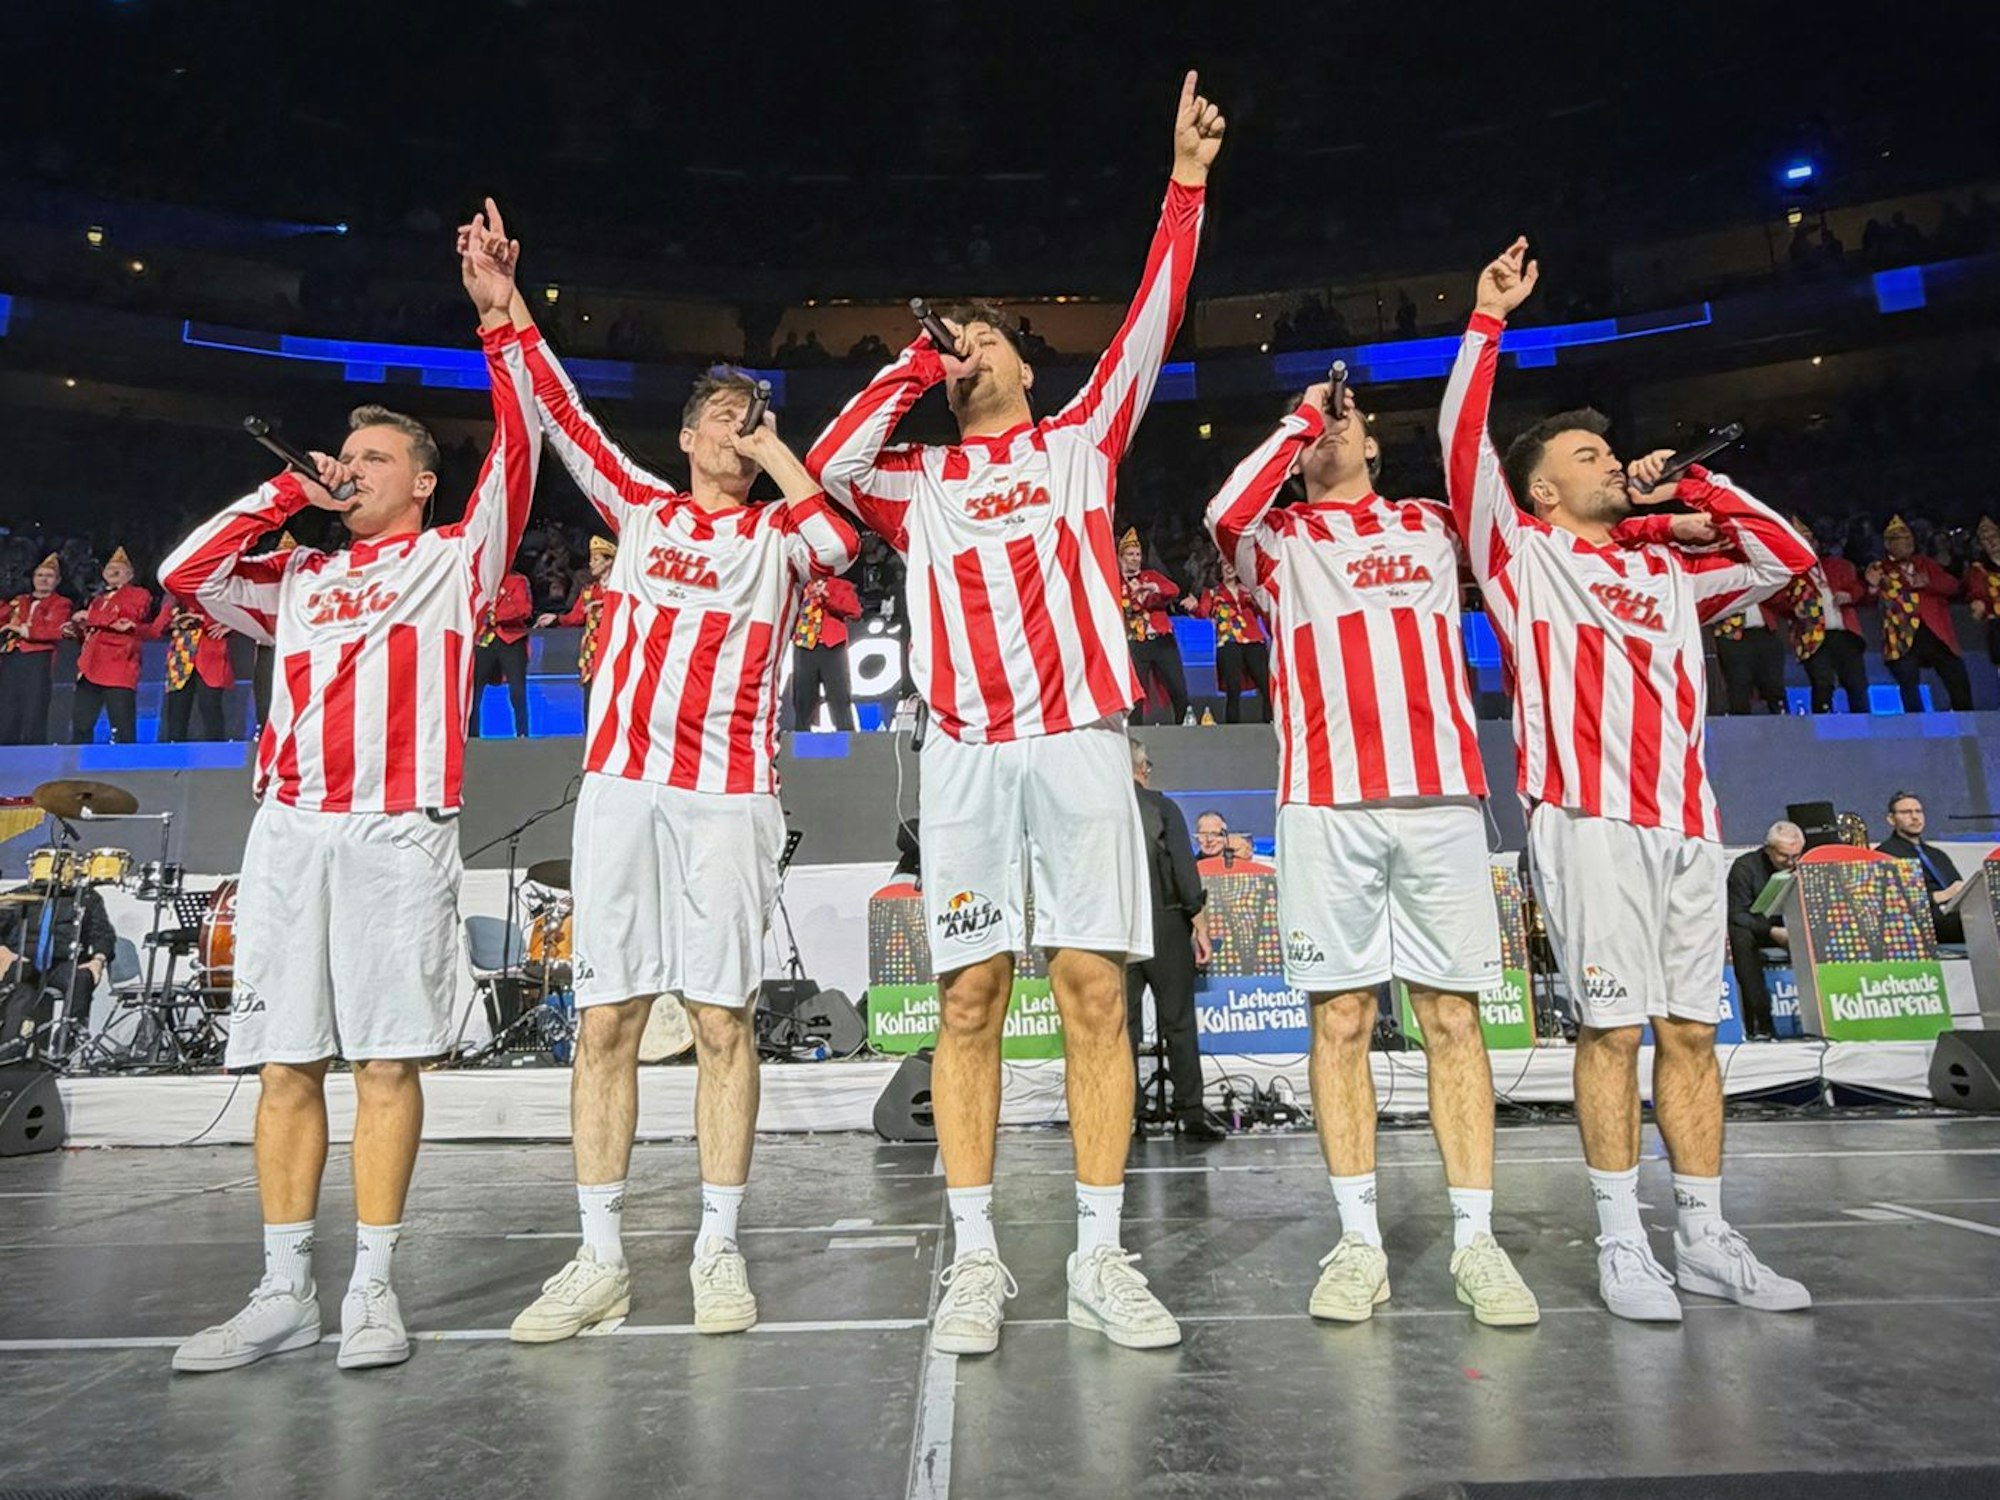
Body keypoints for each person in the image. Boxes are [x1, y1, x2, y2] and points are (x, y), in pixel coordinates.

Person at [807, 72, 1226, 1355]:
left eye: (981, 338)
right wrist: (902, 366)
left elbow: (1152, 321)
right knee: (970, 1000)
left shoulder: (1082, 438)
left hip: (1080, 743)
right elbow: (831, 471)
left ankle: (1101, 1256)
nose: (963, 353)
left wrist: (1184, 187)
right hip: (969, 755)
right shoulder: (917, 475)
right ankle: (977, 1259)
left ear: (1024, 359)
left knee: (1094, 988)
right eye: (953, 344)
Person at [161, 201, 538, 1373]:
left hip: (393, 832)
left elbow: (522, 444)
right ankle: (285, 1288)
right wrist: (288, 496)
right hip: (290, 831)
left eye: (375, 459)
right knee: (284, 1065)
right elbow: (185, 572)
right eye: (347, 457)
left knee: (384, 1061)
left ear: (423, 483)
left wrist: (497, 319)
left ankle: (372, 1285)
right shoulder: (301, 581)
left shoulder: (454, 560)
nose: (351, 469)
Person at [1441, 237, 1814, 1323]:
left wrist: (1685, 479)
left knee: (1692, 1033)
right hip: (1585, 818)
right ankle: (1619, 1241)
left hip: (1687, 822)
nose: (1609, 461)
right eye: (1585, 456)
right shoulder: (1518, 555)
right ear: (1538, 487)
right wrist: (1484, 320)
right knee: (1608, 1033)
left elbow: (1784, 559)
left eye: (1612, 453)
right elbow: (1462, 440)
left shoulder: (1664, 571)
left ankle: (1701, 1233)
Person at [501, 281, 858, 1343]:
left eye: (751, 418)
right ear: (685, 432)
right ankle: (598, 1256)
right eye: (718, 414)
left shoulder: (781, 539)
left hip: (729, 795)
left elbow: (838, 549)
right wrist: (504, 310)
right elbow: (563, 417)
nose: (734, 430)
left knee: (719, 1021)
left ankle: (716, 1246)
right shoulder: (642, 510)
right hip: (622, 788)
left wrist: (781, 451)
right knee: (607, 1021)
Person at [1209, 378, 1539, 1328]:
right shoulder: (1276, 542)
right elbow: (1225, 509)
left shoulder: (1433, 521)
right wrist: (1297, 422)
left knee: (1452, 1020)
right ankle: (1358, 1241)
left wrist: (1481, 333)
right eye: (1318, 425)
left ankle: (1477, 1243)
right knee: (1342, 1020)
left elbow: (1487, 480)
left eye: (1346, 421)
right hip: (1324, 802)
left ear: (1380, 449)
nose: (1329, 429)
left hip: (1441, 798)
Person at [1126, 740, 1220, 1140]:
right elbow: (1185, 871)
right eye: (1147, 765)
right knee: (1178, 1021)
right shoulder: (1163, 807)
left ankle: (1124, 1113)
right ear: (1140, 767)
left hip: (1119, 926)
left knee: (1122, 1027)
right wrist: (1199, 924)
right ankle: (1190, 1112)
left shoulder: (1099, 810)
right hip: (1165, 921)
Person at [0, 873, 115, 1062]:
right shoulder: (17, 897)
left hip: (62, 963)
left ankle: (65, 1045)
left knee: (81, 977)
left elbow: (103, 933)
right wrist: (3, 952)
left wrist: (98, 960)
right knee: (22, 990)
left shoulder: (86, 898)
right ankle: (9, 1052)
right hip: (24, 962)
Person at [1871, 516, 1970, 712]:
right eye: (1900, 538)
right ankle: (1917, 732)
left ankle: (1968, 730)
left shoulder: (1925, 564)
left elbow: (1952, 586)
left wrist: (1929, 584)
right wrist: (1872, 586)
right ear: (1888, 544)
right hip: (1902, 636)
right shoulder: (1879, 568)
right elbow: (1868, 594)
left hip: (1934, 631)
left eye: (1909, 537)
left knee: (1958, 682)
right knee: (1909, 688)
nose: (1907, 542)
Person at [1725, 821, 1806, 1041]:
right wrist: (1771, 931)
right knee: (1740, 934)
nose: (1791, 862)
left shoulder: (1804, 865)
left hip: (1798, 928)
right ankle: (1760, 1022)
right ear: (1768, 849)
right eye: (1784, 856)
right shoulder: (1745, 867)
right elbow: (1737, 914)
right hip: (1761, 931)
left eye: (1796, 855)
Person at [1781, 518, 1871, 714]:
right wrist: (1791, 608)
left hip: (1844, 632)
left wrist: (1850, 595)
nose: (1809, 544)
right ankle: (1822, 727)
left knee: (1856, 683)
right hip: (1812, 634)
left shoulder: (1839, 566)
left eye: (1811, 539)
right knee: (1822, 682)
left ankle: (1865, 727)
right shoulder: (1786, 572)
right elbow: (1777, 599)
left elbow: (1858, 588)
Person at [67, 547, 151, 744]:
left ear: (130, 575)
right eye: (110, 568)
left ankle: (125, 770)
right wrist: (77, 630)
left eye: (119, 569)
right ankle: (76, 768)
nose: (113, 571)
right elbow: (97, 629)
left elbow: (128, 618)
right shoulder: (97, 600)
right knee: (81, 725)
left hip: (118, 666)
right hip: (89, 667)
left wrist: (90, 617)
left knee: (122, 727)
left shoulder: (138, 594)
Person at [1876, 791, 1967, 945]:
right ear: (1891, 819)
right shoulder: (1885, 855)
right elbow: (1893, 903)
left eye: (1918, 811)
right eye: (1906, 812)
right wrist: (1939, 896)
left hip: (1956, 915)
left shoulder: (1938, 855)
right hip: (1922, 921)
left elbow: (1958, 889)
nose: (1914, 817)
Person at [1187, 553, 1270, 722]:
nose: (1229, 566)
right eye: (1225, 563)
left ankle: (1271, 724)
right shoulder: (1212, 593)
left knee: (1266, 685)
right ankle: (1233, 729)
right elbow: (1203, 611)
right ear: (1220, 567)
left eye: (1232, 562)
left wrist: (1255, 597)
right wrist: (1194, 607)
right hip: (1228, 642)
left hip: (1254, 640)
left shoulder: (1249, 589)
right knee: (1233, 688)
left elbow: (1264, 610)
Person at [0, 555, 73, 744]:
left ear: (57, 581)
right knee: (8, 702)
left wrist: (22, 629)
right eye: (39, 575)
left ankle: (32, 749)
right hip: (12, 655)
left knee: (34, 704)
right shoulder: (20, 600)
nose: (43, 579)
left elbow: (54, 630)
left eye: (49, 576)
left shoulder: (61, 603)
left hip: (38, 656)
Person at [1121, 531, 1188, 725]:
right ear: (1121, 557)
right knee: (1137, 693)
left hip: (1161, 639)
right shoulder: (1115, 582)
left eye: (1138, 554)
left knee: (1178, 688)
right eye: (1131, 554)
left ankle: (1183, 728)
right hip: (1135, 642)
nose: (1135, 559)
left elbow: (1174, 590)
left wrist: (1153, 588)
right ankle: (1136, 736)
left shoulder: (1150, 576)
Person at [535, 535, 615, 689]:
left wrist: (605, 604)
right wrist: (556, 619)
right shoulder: (589, 591)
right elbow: (576, 617)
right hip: (593, 649)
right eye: (591, 559)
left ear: (609, 561)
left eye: (596, 560)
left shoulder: (621, 591)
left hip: (614, 647)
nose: (591, 564)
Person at [151, 593, 233, 743]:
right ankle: (175, 754)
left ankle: (216, 753)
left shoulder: (216, 593)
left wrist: (201, 619)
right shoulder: (174, 598)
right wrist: (173, 620)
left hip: (209, 657)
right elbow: (156, 629)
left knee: (210, 707)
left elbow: (229, 620)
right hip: (180, 659)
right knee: (177, 710)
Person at [791, 572, 862, 731]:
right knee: (803, 699)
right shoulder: (797, 585)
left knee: (839, 698)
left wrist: (827, 596)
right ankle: (801, 742)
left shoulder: (839, 585)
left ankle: (848, 739)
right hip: (804, 645)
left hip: (831, 646)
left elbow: (855, 611)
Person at [469, 567, 533, 736]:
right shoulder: (479, 580)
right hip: (484, 640)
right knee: (474, 691)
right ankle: (472, 736)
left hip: (511, 639)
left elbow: (524, 609)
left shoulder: (517, 581)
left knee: (517, 692)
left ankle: (522, 734)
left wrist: (495, 616)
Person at [1711, 601, 1788, 715]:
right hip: (1731, 635)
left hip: (1764, 631)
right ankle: (1740, 725)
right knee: (1739, 685)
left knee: (1774, 683)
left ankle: (1783, 723)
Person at [1962, 515, 2000, 666]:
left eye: (1993, 536)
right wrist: (1978, 603)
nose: (1991, 541)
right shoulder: (1978, 570)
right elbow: (1976, 592)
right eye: (1985, 538)